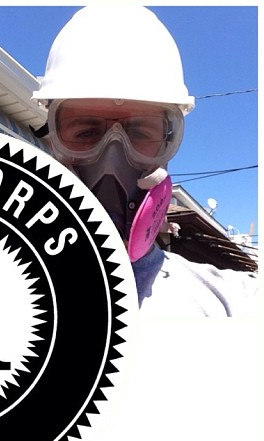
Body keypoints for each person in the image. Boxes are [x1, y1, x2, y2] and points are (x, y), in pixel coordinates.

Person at [31, 6, 257, 317]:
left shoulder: (230, 302)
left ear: (169, 142)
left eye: (139, 131)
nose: (111, 159)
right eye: (85, 130)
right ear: (54, 140)